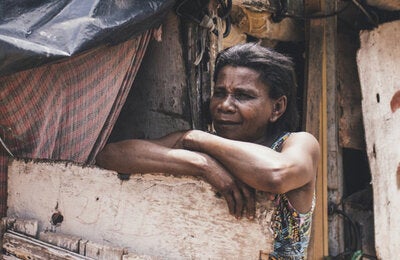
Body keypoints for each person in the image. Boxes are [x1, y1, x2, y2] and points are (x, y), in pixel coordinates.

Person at [96, 43, 320, 259]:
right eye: (220, 93)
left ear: (277, 107)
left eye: (242, 96)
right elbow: (112, 155)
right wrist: (202, 165)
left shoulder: (298, 144)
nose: (224, 105)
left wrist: (195, 137)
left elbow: (275, 175)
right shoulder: (204, 146)